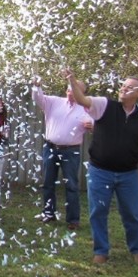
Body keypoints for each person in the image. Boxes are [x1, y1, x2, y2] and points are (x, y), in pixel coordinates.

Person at [65, 70, 138, 264]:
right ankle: (101, 251)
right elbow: (82, 99)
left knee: (132, 213)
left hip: (128, 174)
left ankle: (137, 250)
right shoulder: (104, 106)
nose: (124, 89)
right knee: (98, 212)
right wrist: (72, 80)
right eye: (123, 86)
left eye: (130, 87)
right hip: (99, 171)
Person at [33, 77, 91, 229]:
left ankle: (73, 219)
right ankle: (48, 213)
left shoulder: (86, 108)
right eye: (70, 89)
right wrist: (37, 86)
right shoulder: (54, 102)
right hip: (50, 148)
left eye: (76, 90)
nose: (72, 92)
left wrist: (91, 126)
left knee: (71, 185)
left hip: (71, 151)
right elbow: (38, 98)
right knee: (47, 182)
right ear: (67, 90)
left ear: (82, 93)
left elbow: (95, 125)